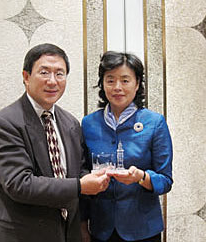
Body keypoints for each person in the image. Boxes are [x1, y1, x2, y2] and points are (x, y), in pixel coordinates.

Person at [0, 43, 110, 242]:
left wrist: (99, 177)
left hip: (66, 234)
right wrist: (80, 186)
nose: (53, 81)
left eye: (60, 74)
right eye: (44, 72)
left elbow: (78, 171)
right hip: (23, 235)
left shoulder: (70, 122)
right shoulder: (4, 123)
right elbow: (20, 184)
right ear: (26, 77)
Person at [80, 51, 173, 242]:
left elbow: (165, 180)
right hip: (101, 228)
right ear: (102, 83)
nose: (117, 87)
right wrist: (82, 224)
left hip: (143, 229)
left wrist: (141, 177)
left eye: (125, 80)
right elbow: (81, 173)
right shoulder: (88, 123)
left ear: (137, 84)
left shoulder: (154, 123)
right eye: (110, 80)